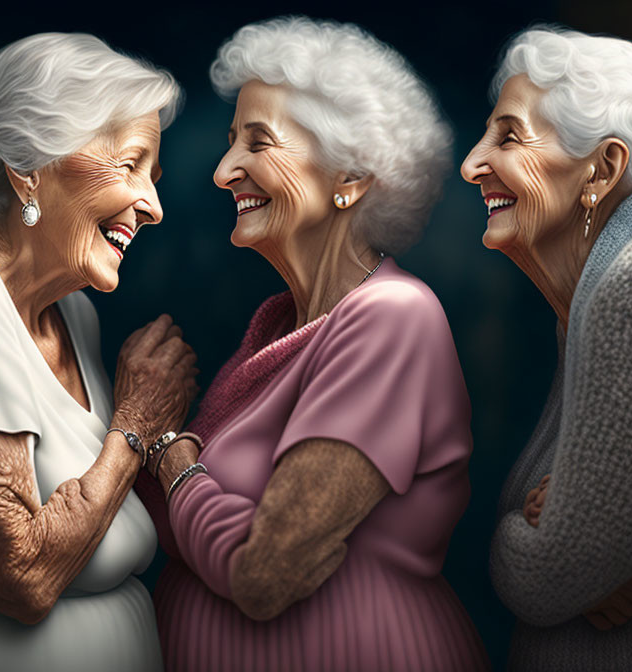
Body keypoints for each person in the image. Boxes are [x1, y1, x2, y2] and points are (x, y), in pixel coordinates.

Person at [133, 16, 489, 672]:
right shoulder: (278, 326)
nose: (223, 171)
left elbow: (264, 573)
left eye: (258, 142)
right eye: (229, 140)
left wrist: (173, 458)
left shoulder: (391, 319)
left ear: (349, 177)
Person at [0, 33, 197, 672]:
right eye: (130, 165)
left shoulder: (72, 312)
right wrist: (132, 426)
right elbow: (21, 573)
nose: (154, 207)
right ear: (29, 165)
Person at [461, 25, 632, 671]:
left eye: (508, 136)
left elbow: (540, 578)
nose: (473, 164)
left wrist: (519, 540)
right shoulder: (613, 283)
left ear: (603, 168)